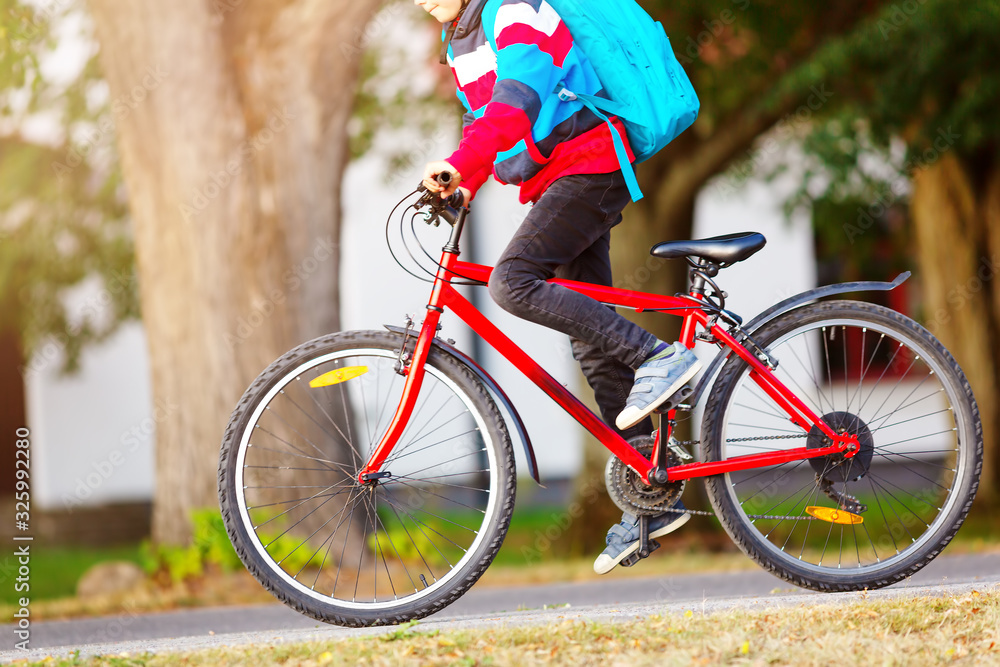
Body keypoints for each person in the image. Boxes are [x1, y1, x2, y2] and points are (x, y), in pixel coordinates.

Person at [414, 0, 701, 573]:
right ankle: (651, 490)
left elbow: (518, 101)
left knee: (512, 283)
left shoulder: (511, 10)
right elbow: (487, 126)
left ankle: (659, 357)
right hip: (555, 178)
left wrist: (456, 161)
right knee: (592, 341)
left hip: (589, 163)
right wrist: (463, 182)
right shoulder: (462, 39)